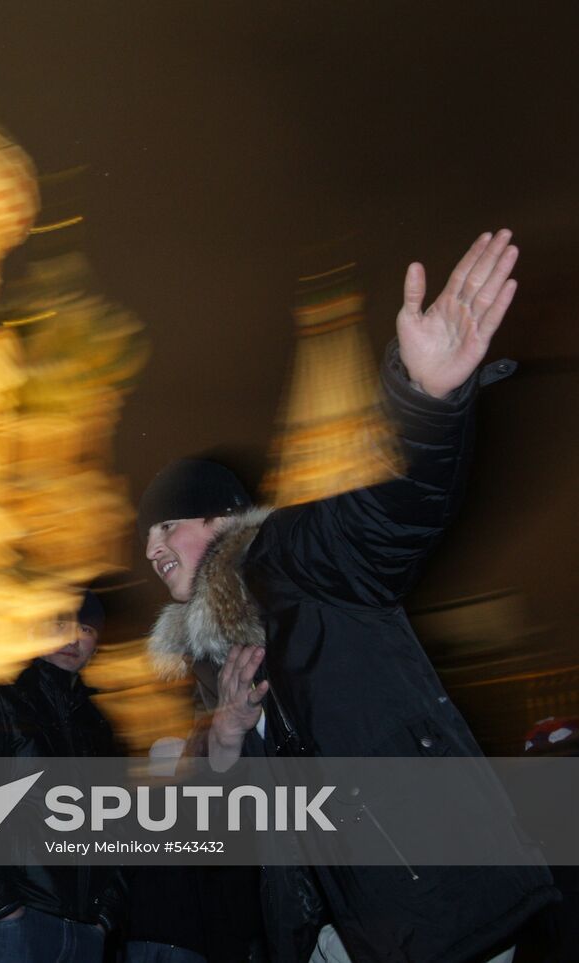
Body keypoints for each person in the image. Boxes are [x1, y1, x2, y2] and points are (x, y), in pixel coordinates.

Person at [138, 231, 556, 961]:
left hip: (433, 906)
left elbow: (394, 515)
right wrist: (227, 744)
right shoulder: (216, 663)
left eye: (168, 525)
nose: (152, 550)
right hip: (332, 937)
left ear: (221, 519)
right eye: (147, 541)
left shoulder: (295, 557)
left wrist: (426, 399)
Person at [0, 591, 126, 963]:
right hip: (12, 923)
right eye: (59, 623)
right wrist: (2, 905)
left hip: (83, 932)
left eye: (86, 627)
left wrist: (104, 916)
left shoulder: (101, 728)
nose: (73, 637)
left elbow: (119, 825)